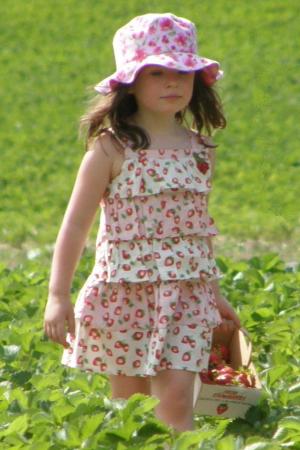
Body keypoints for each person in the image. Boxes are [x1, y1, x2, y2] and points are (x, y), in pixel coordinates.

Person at [43, 12, 241, 432]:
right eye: (157, 73)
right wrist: (58, 295)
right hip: (124, 294)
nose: (172, 82)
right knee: (129, 410)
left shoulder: (200, 149)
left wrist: (215, 294)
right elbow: (75, 226)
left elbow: (196, 228)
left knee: (175, 405)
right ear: (130, 82)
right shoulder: (110, 149)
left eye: (181, 73)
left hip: (187, 295)